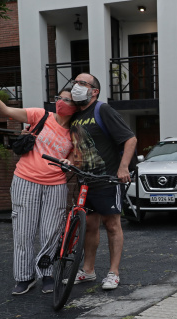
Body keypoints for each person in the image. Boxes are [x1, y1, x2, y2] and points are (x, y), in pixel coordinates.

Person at [0, 65, 77, 295]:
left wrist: (71, 160)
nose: (61, 102)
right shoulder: (40, 115)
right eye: (60, 97)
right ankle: (24, 277)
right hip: (25, 180)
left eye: (68, 100)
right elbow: (5, 110)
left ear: (76, 107)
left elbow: (75, 154)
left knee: (51, 232)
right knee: (23, 231)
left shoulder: (75, 131)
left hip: (56, 184)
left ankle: (47, 273)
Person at [67, 73, 137, 290]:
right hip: (85, 182)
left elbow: (130, 138)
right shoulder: (74, 116)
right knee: (89, 226)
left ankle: (113, 273)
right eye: (74, 83)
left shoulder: (102, 110)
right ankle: (88, 271)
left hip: (107, 179)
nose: (76, 86)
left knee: (112, 225)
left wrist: (123, 167)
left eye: (81, 83)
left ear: (94, 91)